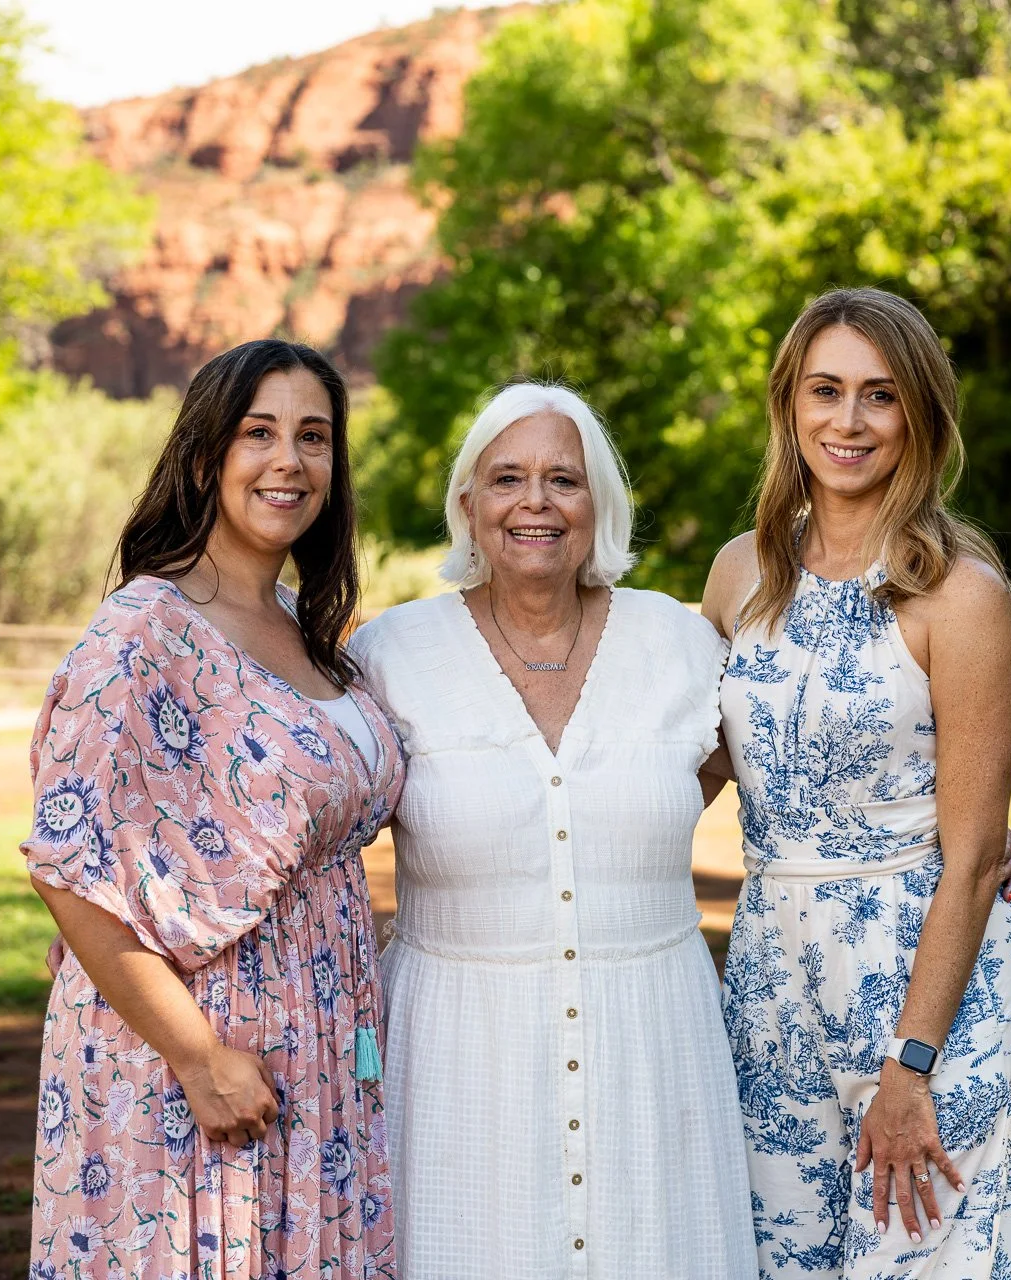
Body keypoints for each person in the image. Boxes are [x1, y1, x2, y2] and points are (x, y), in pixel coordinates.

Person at [348, 383, 760, 1278]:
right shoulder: (389, 656)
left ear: (601, 504)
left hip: (654, 1052)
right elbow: (309, 821)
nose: (535, 501)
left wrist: (957, 838)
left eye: (563, 480)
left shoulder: (681, 646)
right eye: (506, 479)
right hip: (458, 1061)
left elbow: (782, 775)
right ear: (467, 504)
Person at [22, 339, 405, 1279]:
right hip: (197, 1047)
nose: (289, 461)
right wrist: (196, 1057)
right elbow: (71, 870)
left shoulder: (299, 624)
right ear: (203, 456)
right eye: (258, 433)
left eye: (314, 437)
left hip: (315, 1042)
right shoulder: (144, 632)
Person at [704, 288, 1011, 1278]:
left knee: (915, 1260)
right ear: (788, 404)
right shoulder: (736, 575)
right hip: (767, 978)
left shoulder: (959, 591)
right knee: (774, 1260)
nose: (846, 422)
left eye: (878, 395)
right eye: (825, 390)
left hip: (923, 984)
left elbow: (972, 857)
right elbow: (681, 775)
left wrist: (910, 1061)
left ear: (918, 415)